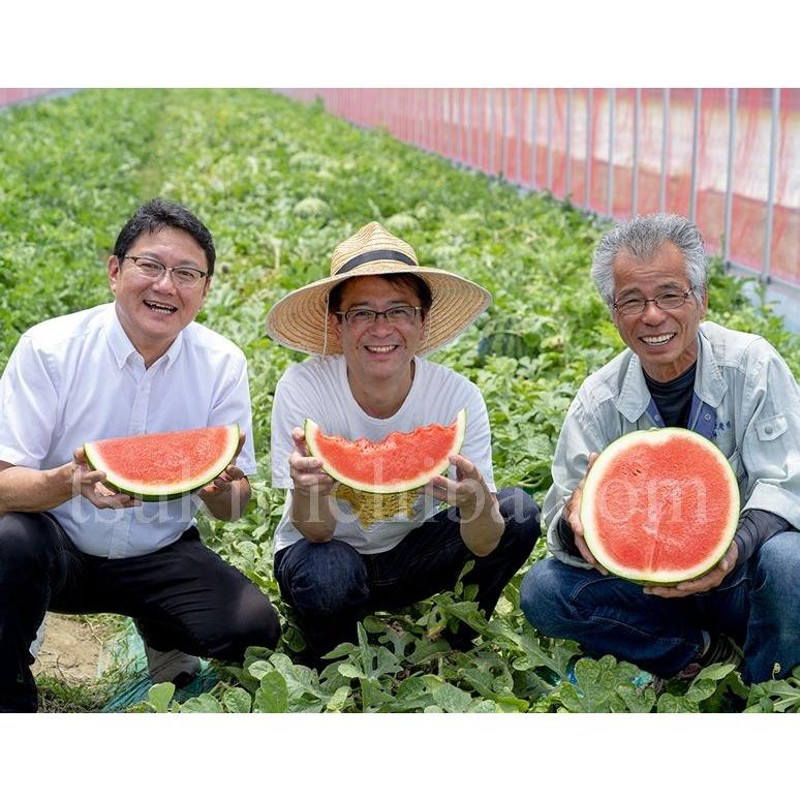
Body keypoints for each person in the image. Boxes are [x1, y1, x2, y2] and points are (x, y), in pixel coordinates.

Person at [0, 198, 280, 712]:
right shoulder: (49, 349)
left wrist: (222, 491)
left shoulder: (222, 364)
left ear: (206, 289)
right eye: (149, 265)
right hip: (56, 549)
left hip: (160, 552)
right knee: (8, 539)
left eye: (187, 273)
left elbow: (238, 505)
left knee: (253, 628)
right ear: (114, 271)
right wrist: (66, 482)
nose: (165, 285)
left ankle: (161, 632)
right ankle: (12, 695)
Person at [519, 212, 800, 686]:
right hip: (641, 586)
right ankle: (694, 654)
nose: (652, 315)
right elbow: (559, 530)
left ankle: (761, 682)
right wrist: (576, 522)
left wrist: (731, 550)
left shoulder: (752, 366)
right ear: (614, 315)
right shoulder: (598, 400)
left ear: (702, 300)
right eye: (632, 300)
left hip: (743, 583)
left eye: (671, 294)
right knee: (544, 590)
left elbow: (787, 481)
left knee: (791, 561)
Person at [265, 221, 541, 664]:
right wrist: (306, 492)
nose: (381, 328)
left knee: (518, 512)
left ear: (421, 321)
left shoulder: (457, 397)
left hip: (415, 555)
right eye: (362, 313)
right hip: (329, 555)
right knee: (329, 571)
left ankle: (453, 642)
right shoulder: (304, 389)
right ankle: (335, 662)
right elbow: (316, 530)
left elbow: (487, 542)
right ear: (337, 326)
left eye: (398, 310)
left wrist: (475, 505)